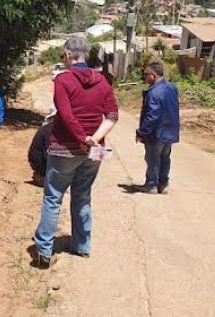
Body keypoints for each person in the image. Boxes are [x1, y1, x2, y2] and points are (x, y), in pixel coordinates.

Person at [33, 36, 118, 268]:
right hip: (93, 152)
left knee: (53, 198)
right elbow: (112, 115)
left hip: (65, 149)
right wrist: (94, 140)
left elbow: (66, 113)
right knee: (82, 196)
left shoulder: (63, 79)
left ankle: (44, 249)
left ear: (69, 56)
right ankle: (81, 245)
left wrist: (82, 138)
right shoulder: (102, 81)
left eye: (64, 56)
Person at [135, 62, 180, 194]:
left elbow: (152, 116)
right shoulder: (172, 88)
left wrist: (141, 132)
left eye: (146, 74)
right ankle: (163, 184)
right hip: (170, 132)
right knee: (165, 158)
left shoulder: (154, 92)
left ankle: (152, 185)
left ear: (153, 75)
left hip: (157, 133)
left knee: (153, 159)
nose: (144, 77)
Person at [28, 110, 55, 187]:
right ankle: (42, 176)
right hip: (40, 162)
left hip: (38, 161)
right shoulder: (50, 130)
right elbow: (47, 154)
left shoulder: (49, 128)